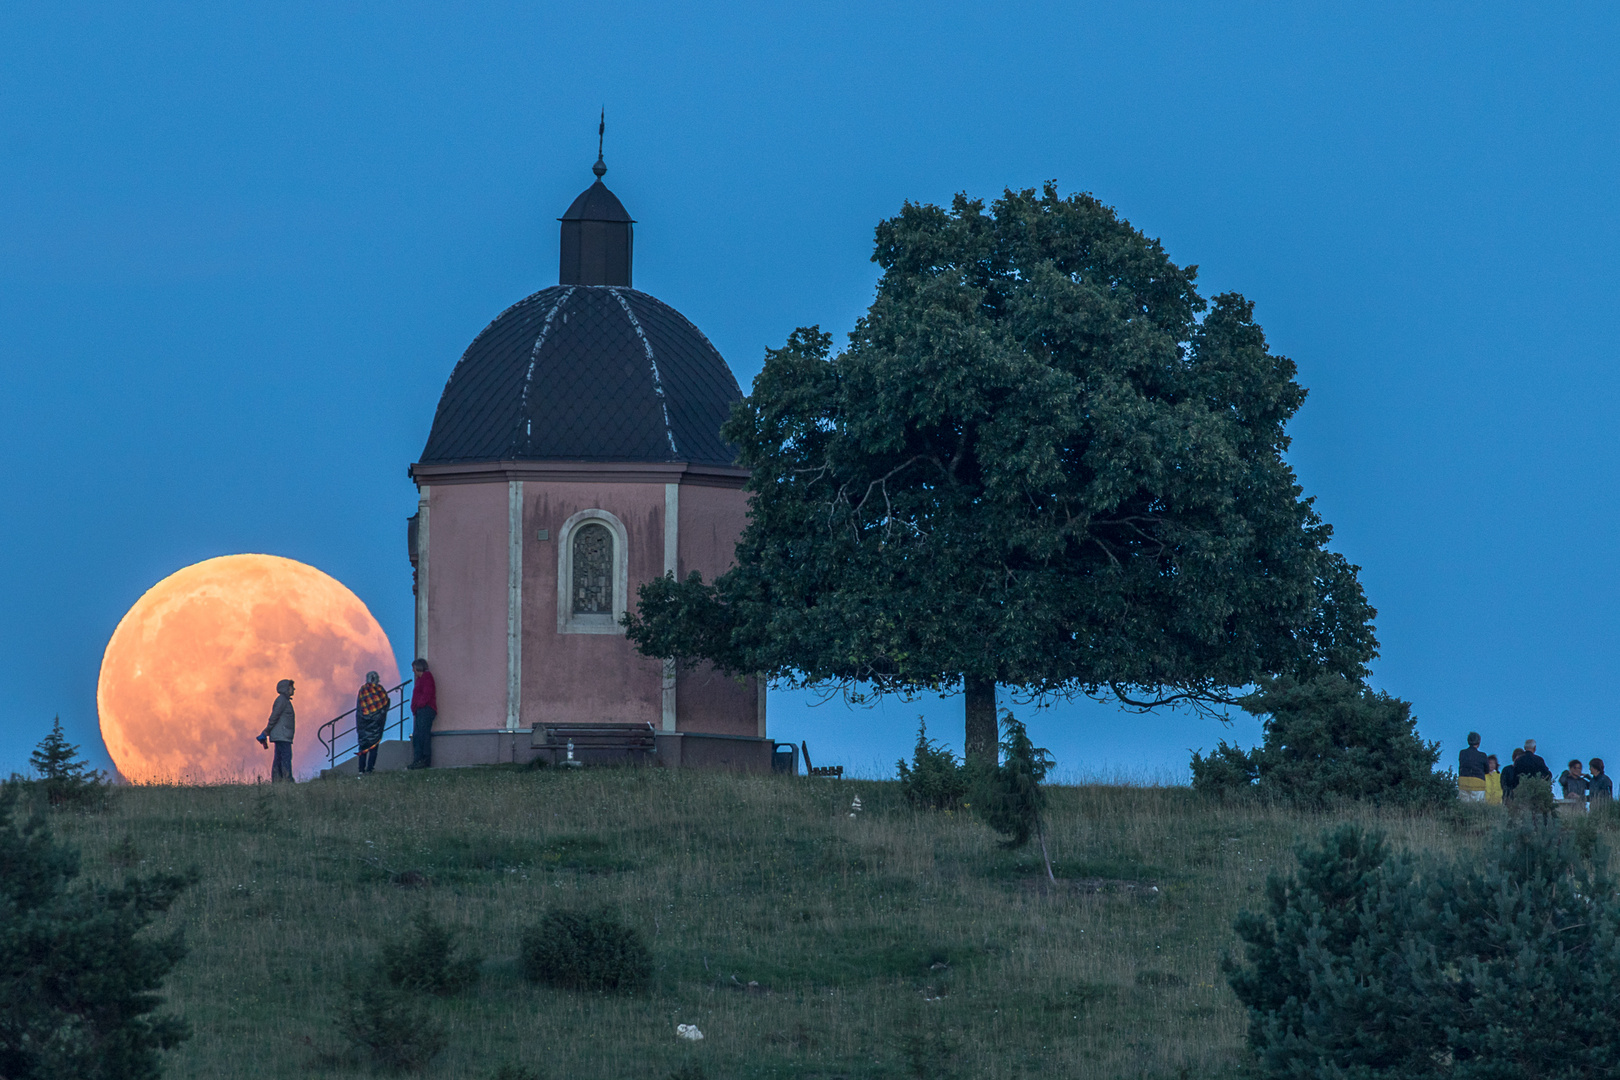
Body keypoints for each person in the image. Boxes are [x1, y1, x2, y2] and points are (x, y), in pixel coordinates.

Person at [257, 679, 296, 783]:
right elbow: (274, 716)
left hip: (282, 735)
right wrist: (267, 731)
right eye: (292, 687)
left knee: (279, 758)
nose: (294, 689)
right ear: (286, 688)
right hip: (282, 736)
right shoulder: (282, 700)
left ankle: (278, 781)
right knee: (285, 757)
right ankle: (287, 780)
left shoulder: (284, 700)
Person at [354, 671, 390, 775]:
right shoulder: (381, 691)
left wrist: (361, 721)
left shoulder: (363, 690)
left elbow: (360, 707)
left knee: (363, 746)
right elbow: (385, 705)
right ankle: (370, 769)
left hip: (363, 724)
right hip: (376, 725)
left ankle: (361, 769)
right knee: (374, 747)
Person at [408, 658, 436, 770]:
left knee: (423, 735)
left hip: (426, 710)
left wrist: (419, 705)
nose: (413, 670)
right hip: (420, 710)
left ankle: (424, 760)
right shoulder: (420, 679)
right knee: (417, 736)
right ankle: (418, 759)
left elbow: (427, 693)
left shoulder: (426, 677)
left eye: (414, 668)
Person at [1457, 732, 1488, 801]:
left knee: (1464, 807)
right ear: (1479, 742)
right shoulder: (1483, 755)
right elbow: (1487, 770)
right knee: (1478, 807)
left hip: (1463, 783)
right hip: (1478, 784)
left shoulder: (1462, 753)